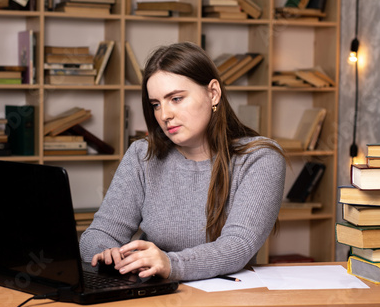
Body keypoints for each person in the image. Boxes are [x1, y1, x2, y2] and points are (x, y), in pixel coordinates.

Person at [80, 42, 286, 281]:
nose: (165, 115)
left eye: (176, 99)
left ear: (213, 93)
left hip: (225, 300)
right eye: (156, 104)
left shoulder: (259, 158)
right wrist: (110, 255)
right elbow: (97, 235)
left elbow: (238, 246)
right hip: (152, 295)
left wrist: (170, 264)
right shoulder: (142, 154)